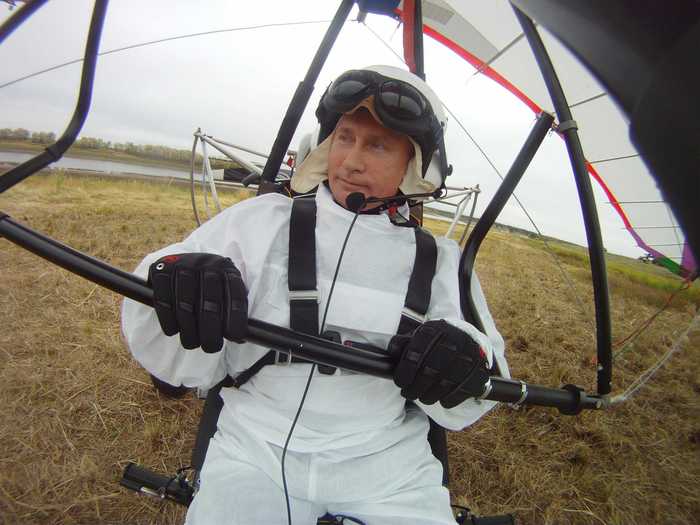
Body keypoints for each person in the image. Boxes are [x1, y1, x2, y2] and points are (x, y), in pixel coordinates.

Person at [121, 65, 509, 525]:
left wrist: (463, 355)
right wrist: (176, 276)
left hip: (385, 463)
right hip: (254, 446)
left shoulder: (441, 260)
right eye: (345, 137)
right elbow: (157, 282)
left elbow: (486, 377)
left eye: (378, 145)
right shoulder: (259, 221)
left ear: (415, 163)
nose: (351, 161)